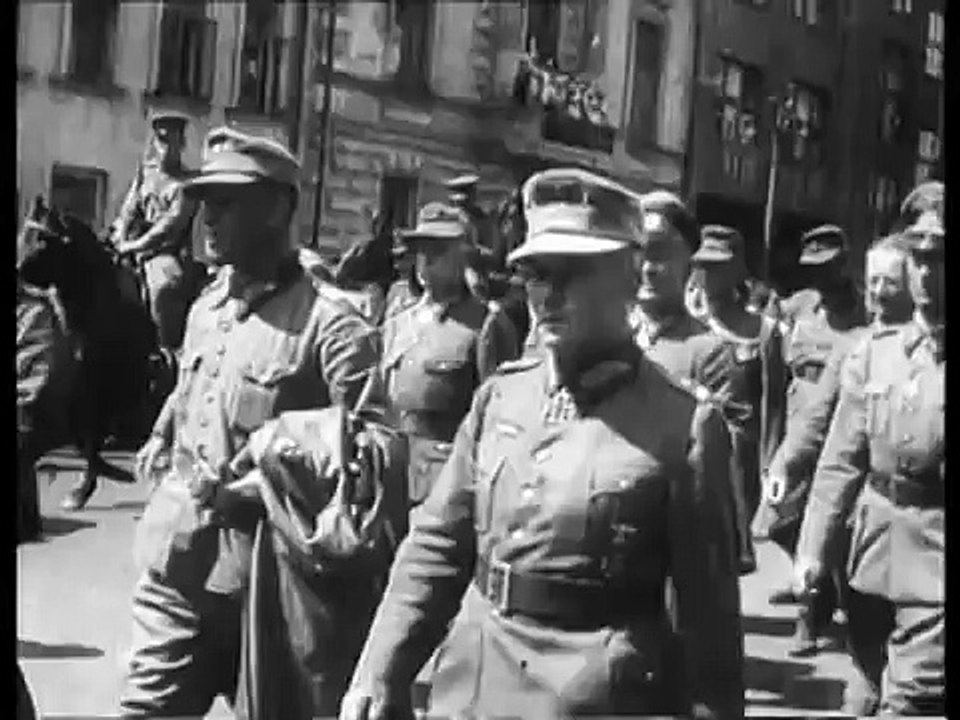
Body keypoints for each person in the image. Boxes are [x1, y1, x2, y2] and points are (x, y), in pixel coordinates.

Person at [339, 170, 744, 720]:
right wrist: (380, 667)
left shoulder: (684, 426)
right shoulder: (501, 399)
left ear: (628, 275)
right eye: (534, 274)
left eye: (571, 274)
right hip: (476, 684)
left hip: (597, 694)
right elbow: (436, 548)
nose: (547, 295)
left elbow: (709, 633)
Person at [120, 127, 382, 717]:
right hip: (180, 567)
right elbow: (194, 393)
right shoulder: (206, 308)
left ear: (279, 209)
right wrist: (163, 433)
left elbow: (372, 459)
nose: (206, 218)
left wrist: (258, 482)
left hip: (276, 587)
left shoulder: (330, 326)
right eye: (203, 201)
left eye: (227, 202)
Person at [793, 187, 944, 715]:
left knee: (910, 701)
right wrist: (814, 547)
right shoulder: (875, 355)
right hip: (872, 561)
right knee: (862, 695)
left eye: (940, 260)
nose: (927, 274)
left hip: (938, 568)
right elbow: (841, 460)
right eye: (919, 259)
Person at [756, 233, 916, 657]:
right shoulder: (853, 347)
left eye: (891, 283)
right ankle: (818, 604)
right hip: (859, 503)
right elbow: (817, 421)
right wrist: (783, 463)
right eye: (875, 281)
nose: (880, 292)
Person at [629, 192, 749, 573]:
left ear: (689, 265)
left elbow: (728, 457)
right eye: (641, 253)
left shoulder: (708, 353)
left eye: (661, 254)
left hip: (671, 535)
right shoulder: (608, 338)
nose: (649, 268)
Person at [381, 202, 518, 522]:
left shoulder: (485, 325)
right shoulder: (398, 323)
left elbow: (499, 419)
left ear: (463, 256)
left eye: (439, 250)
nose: (426, 260)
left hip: (445, 485)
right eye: (420, 249)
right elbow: (375, 400)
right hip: (391, 479)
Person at [764, 224, 867, 644]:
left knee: (825, 521)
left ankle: (813, 611)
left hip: (842, 431)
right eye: (813, 269)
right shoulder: (798, 309)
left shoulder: (866, 313)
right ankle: (811, 577)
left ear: (843, 265)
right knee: (778, 521)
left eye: (828, 267)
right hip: (799, 424)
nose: (820, 278)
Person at [689, 225, 787, 574]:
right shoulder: (690, 328)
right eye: (703, 265)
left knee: (730, 546)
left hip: (740, 454)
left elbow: (774, 403)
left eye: (718, 265)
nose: (708, 274)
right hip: (695, 448)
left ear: (738, 270)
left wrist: (772, 463)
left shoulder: (763, 331)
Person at [111, 109, 200, 356]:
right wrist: (120, 234)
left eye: (173, 140)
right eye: (162, 140)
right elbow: (129, 209)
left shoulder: (188, 184)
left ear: (182, 144)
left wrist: (134, 246)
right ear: (154, 142)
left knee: (163, 287)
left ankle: (164, 352)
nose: (167, 148)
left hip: (165, 253)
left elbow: (169, 227)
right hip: (132, 245)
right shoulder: (146, 173)